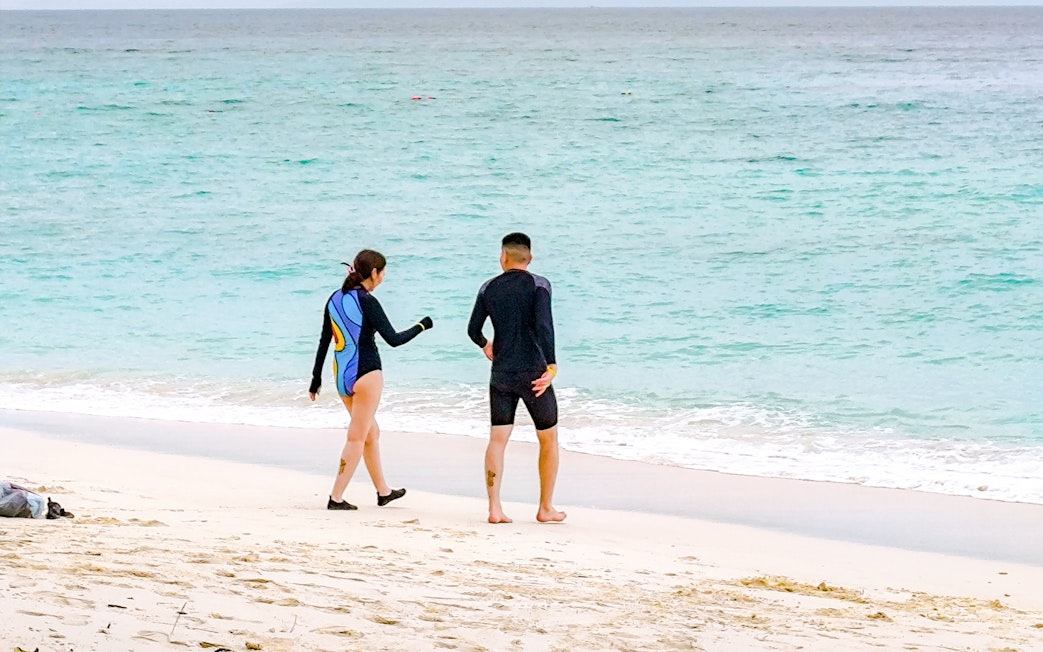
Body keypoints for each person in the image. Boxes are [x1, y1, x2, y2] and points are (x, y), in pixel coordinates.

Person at [310, 249, 433, 511]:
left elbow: (324, 340)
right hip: (366, 374)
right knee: (357, 437)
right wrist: (422, 326)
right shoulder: (367, 301)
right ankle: (336, 497)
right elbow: (394, 339)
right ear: (374, 273)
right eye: (383, 272)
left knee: (370, 433)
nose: (383, 277)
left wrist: (315, 379)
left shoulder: (333, 299)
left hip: (341, 375)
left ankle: (383, 491)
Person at [467, 232, 566, 524]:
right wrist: (551, 367)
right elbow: (544, 326)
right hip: (534, 374)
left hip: (502, 374)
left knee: (497, 439)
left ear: (503, 257)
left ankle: (494, 509)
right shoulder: (540, 285)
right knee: (548, 440)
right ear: (530, 258)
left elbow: (473, 329)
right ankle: (545, 508)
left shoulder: (488, 288)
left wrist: (486, 345)